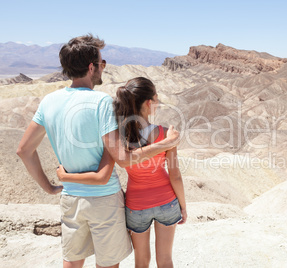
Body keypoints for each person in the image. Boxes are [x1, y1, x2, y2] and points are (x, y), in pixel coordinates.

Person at [16, 35, 180, 268]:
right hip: (104, 199)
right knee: (107, 263)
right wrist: (164, 144)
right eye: (102, 63)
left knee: (72, 261)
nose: (103, 68)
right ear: (92, 67)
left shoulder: (48, 101)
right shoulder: (101, 102)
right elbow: (123, 160)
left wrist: (51, 188)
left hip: (70, 197)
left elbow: (23, 150)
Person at [57, 77, 187, 268]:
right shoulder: (166, 134)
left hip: (136, 206)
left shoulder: (120, 138)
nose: (158, 103)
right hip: (166, 202)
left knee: (141, 260)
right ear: (149, 102)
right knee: (165, 259)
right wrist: (183, 206)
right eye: (157, 99)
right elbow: (175, 175)